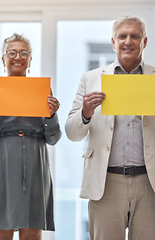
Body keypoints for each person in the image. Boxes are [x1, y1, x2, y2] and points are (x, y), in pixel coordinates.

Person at [65, 15, 155, 240]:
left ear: (144, 42)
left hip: (149, 182)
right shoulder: (91, 78)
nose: (128, 41)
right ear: (113, 42)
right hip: (105, 183)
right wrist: (85, 113)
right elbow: (71, 133)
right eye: (122, 36)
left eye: (135, 36)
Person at [0, 33, 61, 240]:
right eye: (12, 52)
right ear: (3, 58)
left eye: (24, 53)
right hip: (1, 160)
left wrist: (51, 114)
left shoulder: (41, 90)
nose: (18, 57)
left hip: (35, 160)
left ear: (30, 60)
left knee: (32, 230)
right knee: (0, 228)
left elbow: (53, 138)